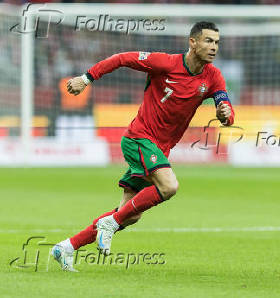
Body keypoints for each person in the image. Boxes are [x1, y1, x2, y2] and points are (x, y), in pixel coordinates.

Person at [50, 21, 235, 272]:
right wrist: (86, 78)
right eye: (208, 41)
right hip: (139, 138)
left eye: (216, 42)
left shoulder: (213, 76)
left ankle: (67, 247)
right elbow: (122, 58)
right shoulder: (165, 63)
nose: (214, 47)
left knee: (130, 213)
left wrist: (226, 114)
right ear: (192, 42)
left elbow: (226, 108)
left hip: (159, 148)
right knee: (169, 186)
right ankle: (110, 224)